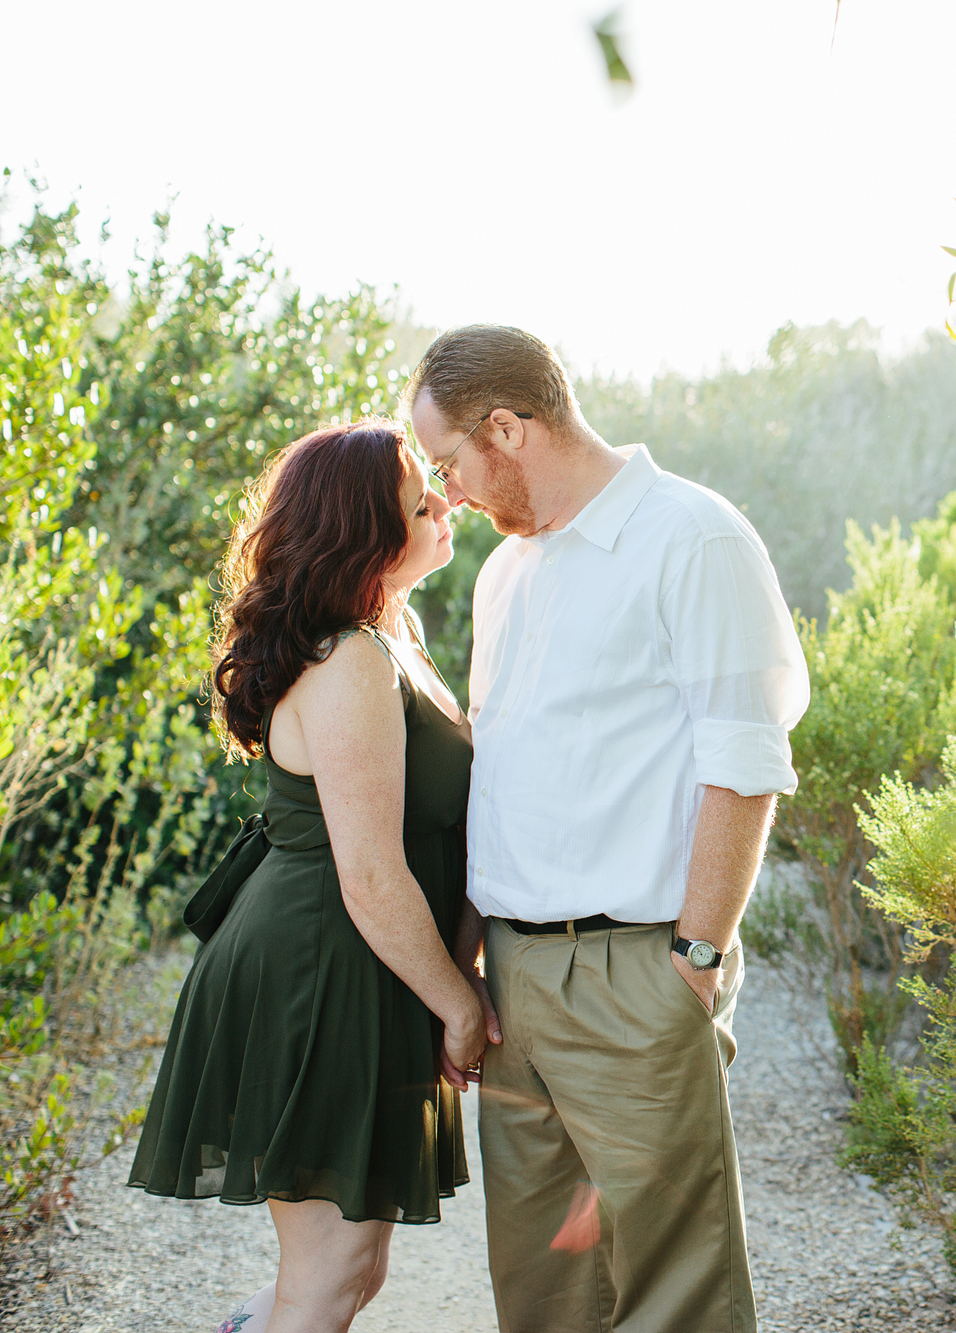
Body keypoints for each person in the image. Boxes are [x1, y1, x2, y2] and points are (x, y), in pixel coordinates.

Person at [405, 325, 808, 1333]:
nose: (446, 492)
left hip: (637, 974)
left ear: (508, 428)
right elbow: (499, 781)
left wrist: (695, 956)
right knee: (541, 1293)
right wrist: (466, 971)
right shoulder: (506, 575)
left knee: (673, 1294)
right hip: (516, 987)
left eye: (449, 462)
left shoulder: (693, 537)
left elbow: (743, 760)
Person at [128, 421, 489, 1333]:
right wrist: (460, 1000)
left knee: (351, 1272)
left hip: (367, 967)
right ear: (365, 534)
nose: (445, 504)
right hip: (320, 969)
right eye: (419, 502)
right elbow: (369, 873)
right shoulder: (349, 661)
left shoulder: (391, 633)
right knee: (329, 1279)